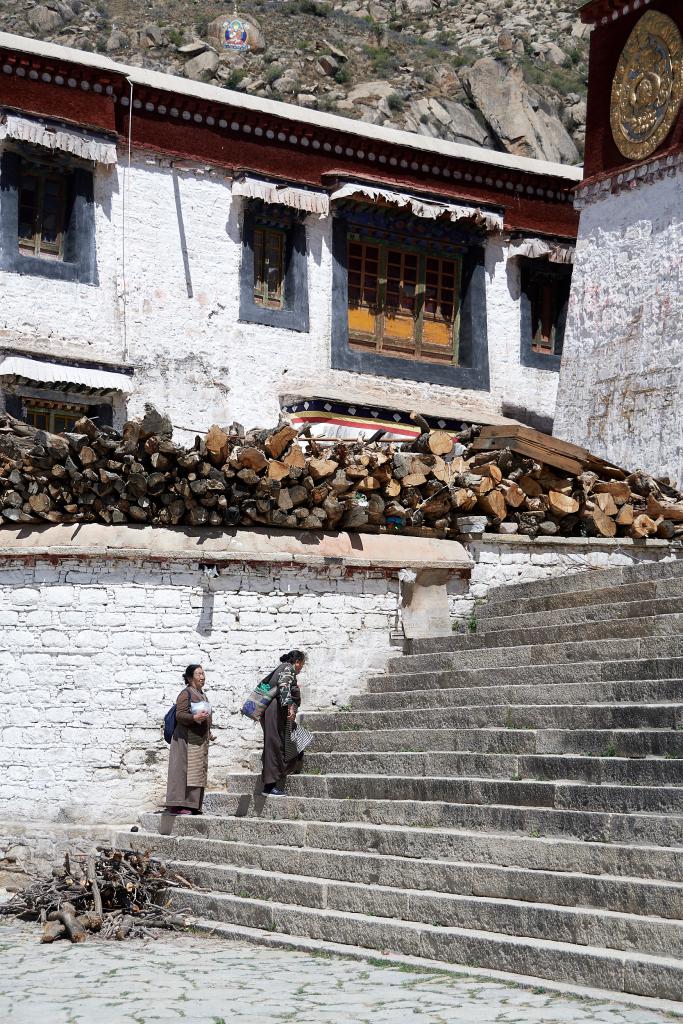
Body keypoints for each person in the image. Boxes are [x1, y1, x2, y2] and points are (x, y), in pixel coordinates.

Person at [166, 664, 212, 815]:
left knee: (196, 772)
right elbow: (179, 715)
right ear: (190, 677)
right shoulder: (185, 694)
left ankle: (192, 805)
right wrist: (194, 717)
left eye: (203, 673)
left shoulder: (202, 694)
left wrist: (208, 732)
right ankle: (177, 805)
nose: (202, 676)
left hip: (198, 740)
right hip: (184, 739)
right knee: (182, 771)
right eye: (198, 674)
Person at [260, 650, 306, 796]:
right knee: (274, 746)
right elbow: (284, 685)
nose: (301, 668)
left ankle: (288, 767)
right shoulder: (288, 668)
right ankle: (269, 786)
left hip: (276, 711)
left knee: (294, 737)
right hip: (276, 710)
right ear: (297, 661)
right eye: (302, 664)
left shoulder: (284, 668)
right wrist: (289, 707)